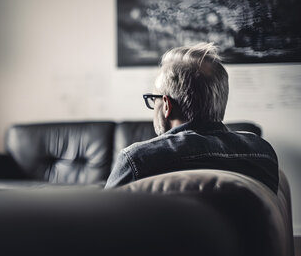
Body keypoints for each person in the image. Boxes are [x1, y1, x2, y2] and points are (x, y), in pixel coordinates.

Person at [105, 43, 279, 192]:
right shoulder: (262, 153)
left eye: (154, 98)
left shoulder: (137, 161)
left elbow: (101, 227)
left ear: (167, 105)